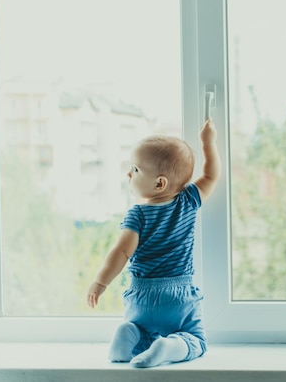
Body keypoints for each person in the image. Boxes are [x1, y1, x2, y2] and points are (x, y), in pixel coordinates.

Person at [86, 118, 220, 368]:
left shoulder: (136, 215)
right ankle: (171, 346)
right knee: (196, 340)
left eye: (135, 170)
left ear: (160, 183)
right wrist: (208, 142)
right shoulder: (189, 201)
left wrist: (100, 282)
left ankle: (128, 334)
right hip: (178, 297)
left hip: (142, 297)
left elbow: (121, 252)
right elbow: (211, 175)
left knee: (142, 331)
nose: (129, 173)